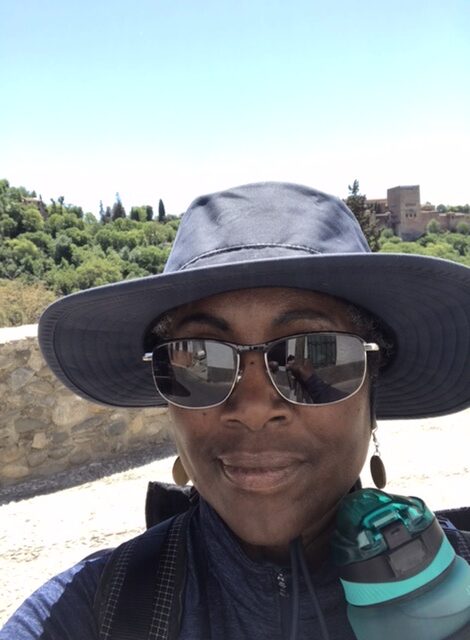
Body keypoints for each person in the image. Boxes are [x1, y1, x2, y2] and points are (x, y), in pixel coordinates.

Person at [1, 182, 469, 640]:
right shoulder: (89, 615)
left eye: (314, 353)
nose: (252, 409)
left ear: (373, 392)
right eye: (199, 359)